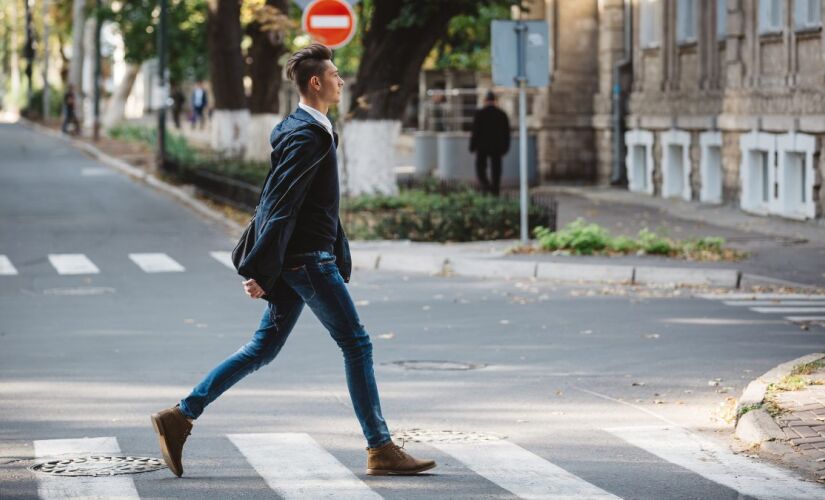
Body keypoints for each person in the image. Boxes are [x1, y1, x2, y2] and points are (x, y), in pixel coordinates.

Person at [150, 43, 436, 479]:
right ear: (316, 82)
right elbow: (280, 204)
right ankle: (380, 447)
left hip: (300, 258)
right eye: (336, 75)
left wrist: (266, 266)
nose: (342, 81)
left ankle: (181, 415)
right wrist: (262, 269)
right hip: (306, 260)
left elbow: (286, 202)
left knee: (262, 348)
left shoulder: (303, 128)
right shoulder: (307, 135)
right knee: (356, 344)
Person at [469, 91, 510, 196]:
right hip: (497, 146)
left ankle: (486, 185)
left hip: (482, 146)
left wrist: (472, 146)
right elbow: (506, 133)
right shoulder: (502, 114)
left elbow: (475, 131)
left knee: (480, 168)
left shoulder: (480, 113)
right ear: (495, 101)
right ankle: (495, 189)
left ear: (485, 101)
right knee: (496, 169)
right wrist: (506, 147)